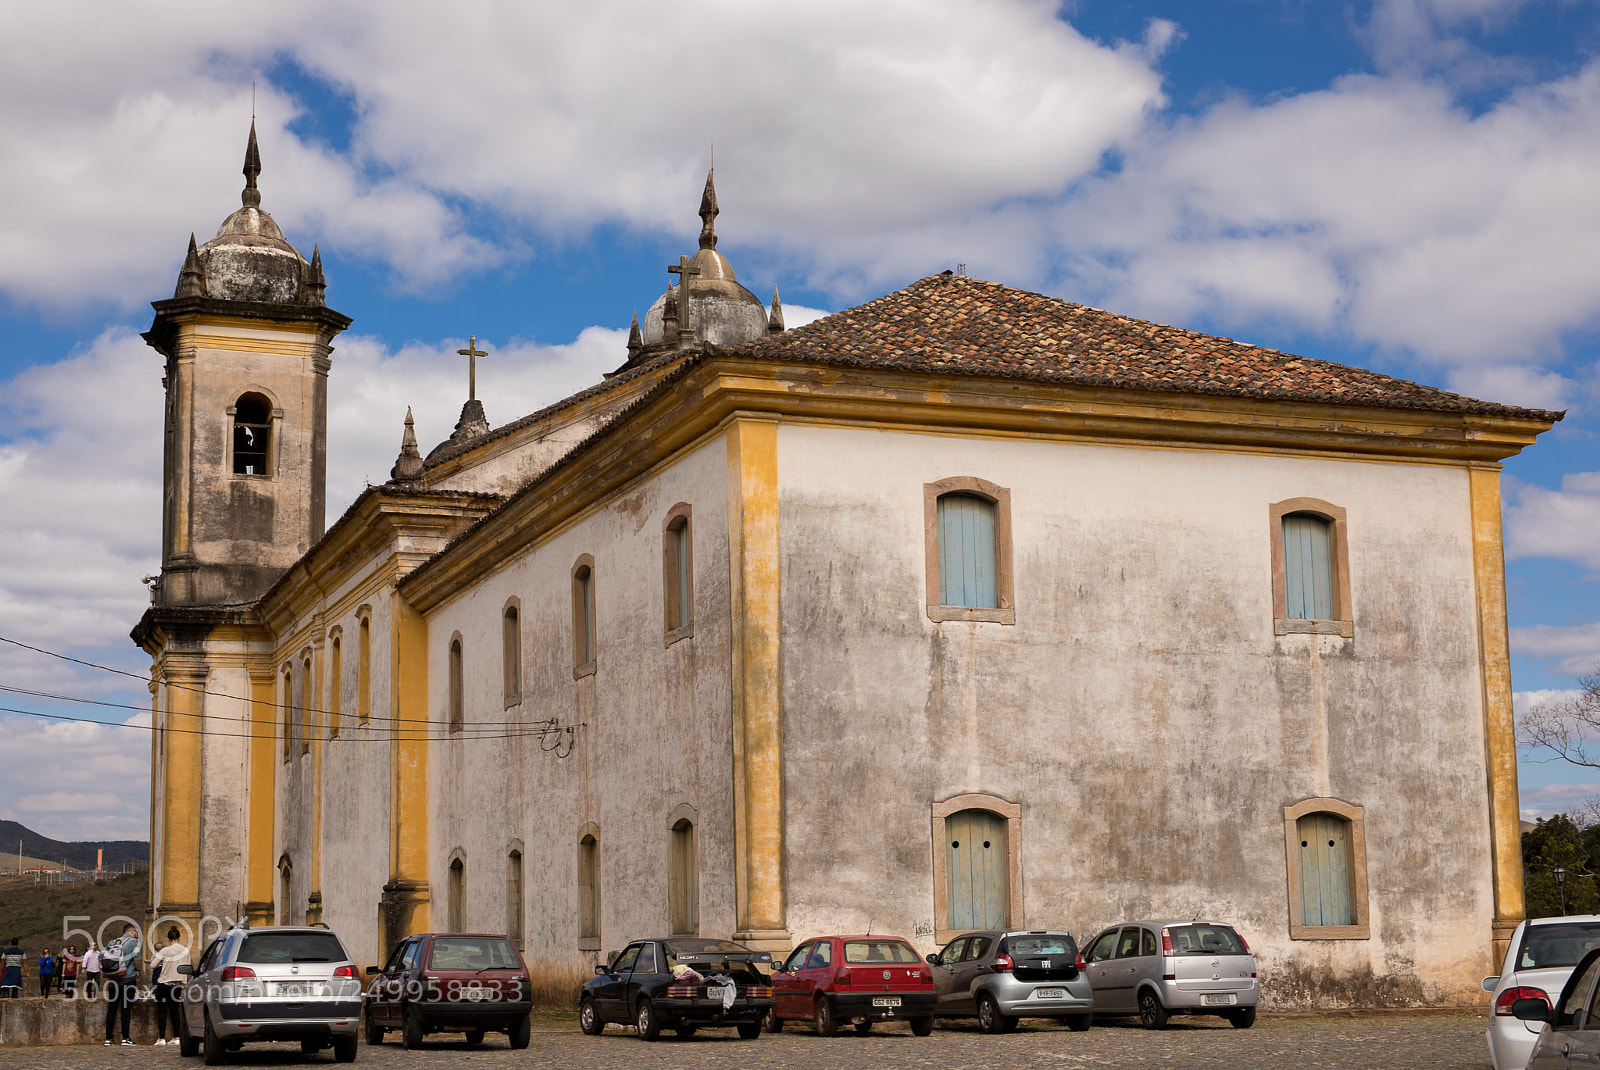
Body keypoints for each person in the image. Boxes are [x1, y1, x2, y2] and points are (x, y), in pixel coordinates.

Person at [149, 928, 190, 1046]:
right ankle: (177, 1037)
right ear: (180, 938)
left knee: (162, 1011)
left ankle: (162, 1038)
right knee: (175, 1011)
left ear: (168, 939)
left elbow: (152, 965)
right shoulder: (185, 951)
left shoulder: (165, 950)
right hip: (177, 985)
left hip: (165, 983)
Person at [102, 924, 140, 1047]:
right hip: (128, 979)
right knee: (125, 1009)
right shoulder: (134, 942)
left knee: (111, 1009)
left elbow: (101, 957)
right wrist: (138, 970)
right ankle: (125, 1038)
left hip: (113, 980)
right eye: (136, 932)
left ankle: (108, 1038)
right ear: (132, 931)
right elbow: (137, 959)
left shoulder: (112, 942)